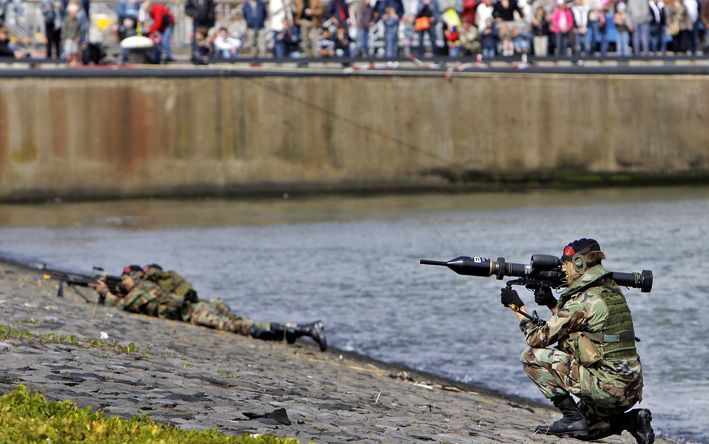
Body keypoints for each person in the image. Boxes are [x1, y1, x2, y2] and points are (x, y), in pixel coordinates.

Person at [500, 239, 654, 442]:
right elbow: (579, 327)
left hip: (606, 388)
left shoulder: (584, 300)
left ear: (579, 263)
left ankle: (571, 416)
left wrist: (517, 308)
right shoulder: (612, 293)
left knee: (530, 356)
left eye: (566, 264)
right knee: (584, 433)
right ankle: (632, 421)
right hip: (629, 390)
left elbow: (537, 338)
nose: (563, 269)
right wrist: (552, 303)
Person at [92, 265, 327, 351]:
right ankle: (294, 332)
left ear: (135, 276)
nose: (124, 282)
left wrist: (106, 295)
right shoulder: (148, 286)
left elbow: (123, 308)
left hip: (197, 312)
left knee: (243, 328)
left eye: (126, 279)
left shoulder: (143, 288)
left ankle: (303, 330)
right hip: (205, 304)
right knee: (243, 324)